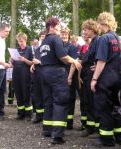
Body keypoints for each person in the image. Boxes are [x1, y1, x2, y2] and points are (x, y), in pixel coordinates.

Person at [40, 17, 82, 145]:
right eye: (58, 26)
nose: (60, 28)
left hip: (44, 72)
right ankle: (57, 136)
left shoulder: (44, 41)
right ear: (51, 27)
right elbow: (63, 56)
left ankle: (47, 129)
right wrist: (74, 61)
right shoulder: (55, 38)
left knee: (48, 101)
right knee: (60, 101)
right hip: (57, 73)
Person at [90, 12, 121, 146]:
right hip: (117, 77)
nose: (98, 26)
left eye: (98, 23)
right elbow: (114, 59)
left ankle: (106, 139)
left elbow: (102, 61)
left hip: (105, 79)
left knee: (104, 108)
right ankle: (120, 136)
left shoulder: (103, 38)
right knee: (115, 106)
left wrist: (94, 79)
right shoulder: (118, 39)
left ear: (102, 23)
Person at [79, 19, 100, 137]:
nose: (84, 32)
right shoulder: (92, 42)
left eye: (86, 29)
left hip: (92, 76)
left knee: (93, 102)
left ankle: (96, 128)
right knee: (88, 102)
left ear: (92, 29)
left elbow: (100, 58)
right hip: (87, 76)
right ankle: (90, 127)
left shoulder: (98, 41)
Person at [60, 27, 80, 130]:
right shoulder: (57, 46)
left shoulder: (72, 47)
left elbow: (73, 63)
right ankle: (61, 121)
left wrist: (70, 77)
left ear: (68, 36)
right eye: (62, 34)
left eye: (65, 34)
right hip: (59, 76)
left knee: (70, 99)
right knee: (61, 98)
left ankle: (69, 122)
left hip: (69, 76)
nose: (63, 36)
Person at [12, 32, 33, 120]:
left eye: (21, 41)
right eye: (19, 41)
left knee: (26, 93)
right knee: (18, 93)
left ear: (25, 40)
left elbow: (32, 63)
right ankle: (20, 113)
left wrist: (24, 59)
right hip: (16, 74)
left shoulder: (29, 49)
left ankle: (28, 114)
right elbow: (12, 63)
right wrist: (11, 60)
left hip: (26, 75)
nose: (20, 43)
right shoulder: (16, 50)